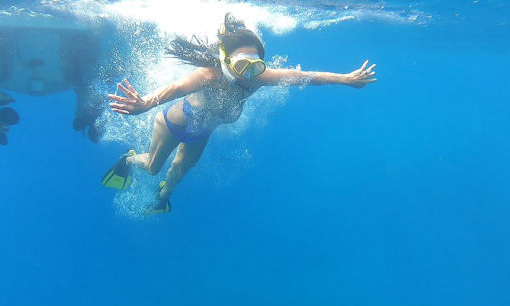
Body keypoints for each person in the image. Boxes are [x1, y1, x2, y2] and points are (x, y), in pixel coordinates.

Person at [102, 14, 376, 214]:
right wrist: (147, 104)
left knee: (177, 174)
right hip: (173, 123)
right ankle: (129, 159)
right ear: (226, 61)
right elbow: (175, 88)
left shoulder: (260, 78)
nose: (249, 74)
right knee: (153, 167)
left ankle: (162, 198)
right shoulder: (209, 74)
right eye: (243, 65)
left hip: (201, 133)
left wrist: (345, 79)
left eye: (256, 66)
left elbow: (305, 76)